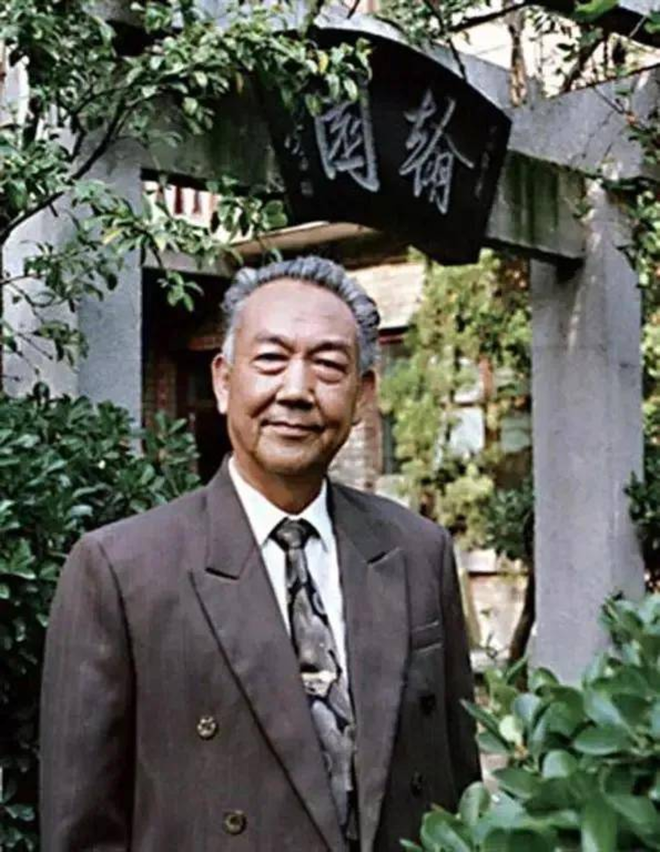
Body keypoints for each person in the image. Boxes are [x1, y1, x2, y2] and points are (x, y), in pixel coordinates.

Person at [40, 256, 480, 852]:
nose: (296, 391)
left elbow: (458, 795)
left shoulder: (418, 551)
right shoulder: (121, 571)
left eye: (328, 366)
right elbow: (81, 831)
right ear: (224, 381)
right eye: (271, 359)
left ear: (363, 396)